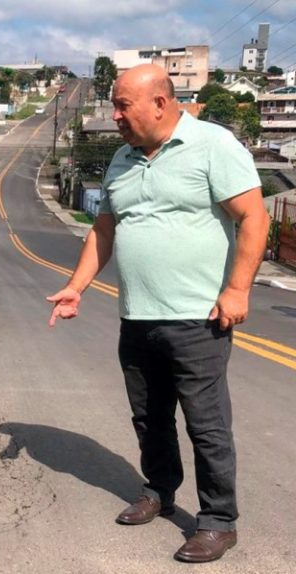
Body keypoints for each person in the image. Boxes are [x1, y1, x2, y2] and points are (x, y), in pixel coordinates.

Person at [47, 64, 270, 563]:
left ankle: (217, 520)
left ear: (161, 104)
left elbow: (254, 217)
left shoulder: (212, 146)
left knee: (205, 424)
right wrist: (76, 287)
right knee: (150, 418)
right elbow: (103, 231)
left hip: (199, 318)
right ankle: (160, 489)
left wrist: (237, 289)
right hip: (137, 315)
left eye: (124, 105)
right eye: (114, 104)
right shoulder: (122, 159)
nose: (116, 115)